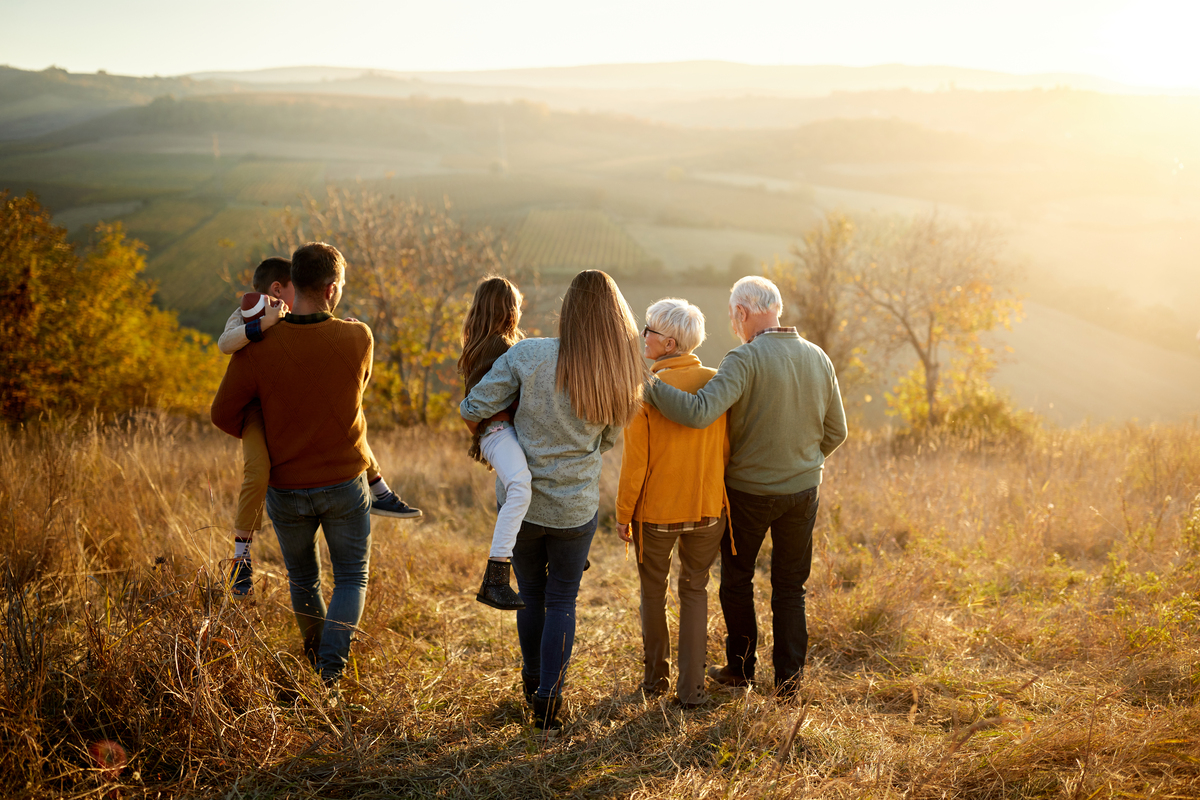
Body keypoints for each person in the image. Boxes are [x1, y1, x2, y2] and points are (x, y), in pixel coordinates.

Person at [460, 270, 647, 735]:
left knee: (532, 598)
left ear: (568, 309)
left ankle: (530, 683)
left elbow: (472, 407)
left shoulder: (529, 354)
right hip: (575, 508)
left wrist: (513, 434)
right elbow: (606, 440)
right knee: (563, 600)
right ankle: (550, 697)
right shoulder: (616, 374)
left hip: (522, 509)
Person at [643, 276, 847, 699]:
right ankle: (789, 685)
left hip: (748, 494)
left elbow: (699, 412)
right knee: (791, 587)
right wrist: (802, 462)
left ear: (741, 312)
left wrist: (647, 384)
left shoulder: (744, 359)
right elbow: (837, 431)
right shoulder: (818, 358)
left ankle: (740, 672)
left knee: (737, 581)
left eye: (732, 315)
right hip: (803, 492)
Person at [211, 242, 389, 688]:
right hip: (344, 484)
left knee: (304, 579)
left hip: (285, 490)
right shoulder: (358, 336)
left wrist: (259, 424)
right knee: (351, 577)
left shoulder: (260, 343)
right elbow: (356, 392)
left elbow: (222, 412)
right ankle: (331, 670)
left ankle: (317, 664)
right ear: (330, 289)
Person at [216, 258, 420, 599]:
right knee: (257, 470)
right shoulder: (252, 309)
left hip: (277, 402)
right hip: (255, 409)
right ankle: (241, 557)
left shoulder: (290, 318)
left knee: (345, 411)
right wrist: (261, 326)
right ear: (279, 288)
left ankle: (379, 487)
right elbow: (226, 344)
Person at [616, 298, 729, 709]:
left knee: (653, 593)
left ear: (667, 342)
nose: (642, 336)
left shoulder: (643, 389)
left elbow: (635, 463)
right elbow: (726, 451)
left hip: (656, 513)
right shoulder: (718, 382)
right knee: (695, 591)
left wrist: (623, 513)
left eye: (648, 330)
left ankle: (654, 682)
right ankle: (692, 690)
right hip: (707, 509)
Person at [458, 276, 530, 611]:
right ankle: (496, 578)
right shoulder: (501, 346)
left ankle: (556, 549)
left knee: (534, 477)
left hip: (499, 432)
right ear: (507, 309)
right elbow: (476, 406)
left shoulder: (487, 343)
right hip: (498, 432)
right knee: (520, 486)